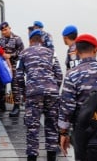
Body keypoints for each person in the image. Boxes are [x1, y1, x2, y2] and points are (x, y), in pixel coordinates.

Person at [58, 34, 97, 161]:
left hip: (84, 133)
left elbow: (66, 108)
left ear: (76, 51)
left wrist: (63, 133)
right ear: (96, 49)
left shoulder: (72, 75)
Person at [16, 29, 63, 161]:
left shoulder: (24, 53)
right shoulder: (51, 53)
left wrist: (24, 91)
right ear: (42, 41)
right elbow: (59, 75)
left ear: (31, 41)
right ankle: (51, 156)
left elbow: (19, 76)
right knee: (52, 124)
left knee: (32, 126)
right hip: (52, 93)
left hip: (33, 93)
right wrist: (54, 89)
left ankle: (32, 157)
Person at [0, 21, 25, 117]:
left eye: (5, 29)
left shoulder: (17, 39)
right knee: (2, 84)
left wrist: (11, 55)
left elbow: (22, 52)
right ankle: (1, 104)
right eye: (2, 30)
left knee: (15, 86)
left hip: (14, 65)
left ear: (9, 28)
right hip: (4, 65)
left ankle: (16, 107)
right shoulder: (1, 40)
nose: (4, 32)